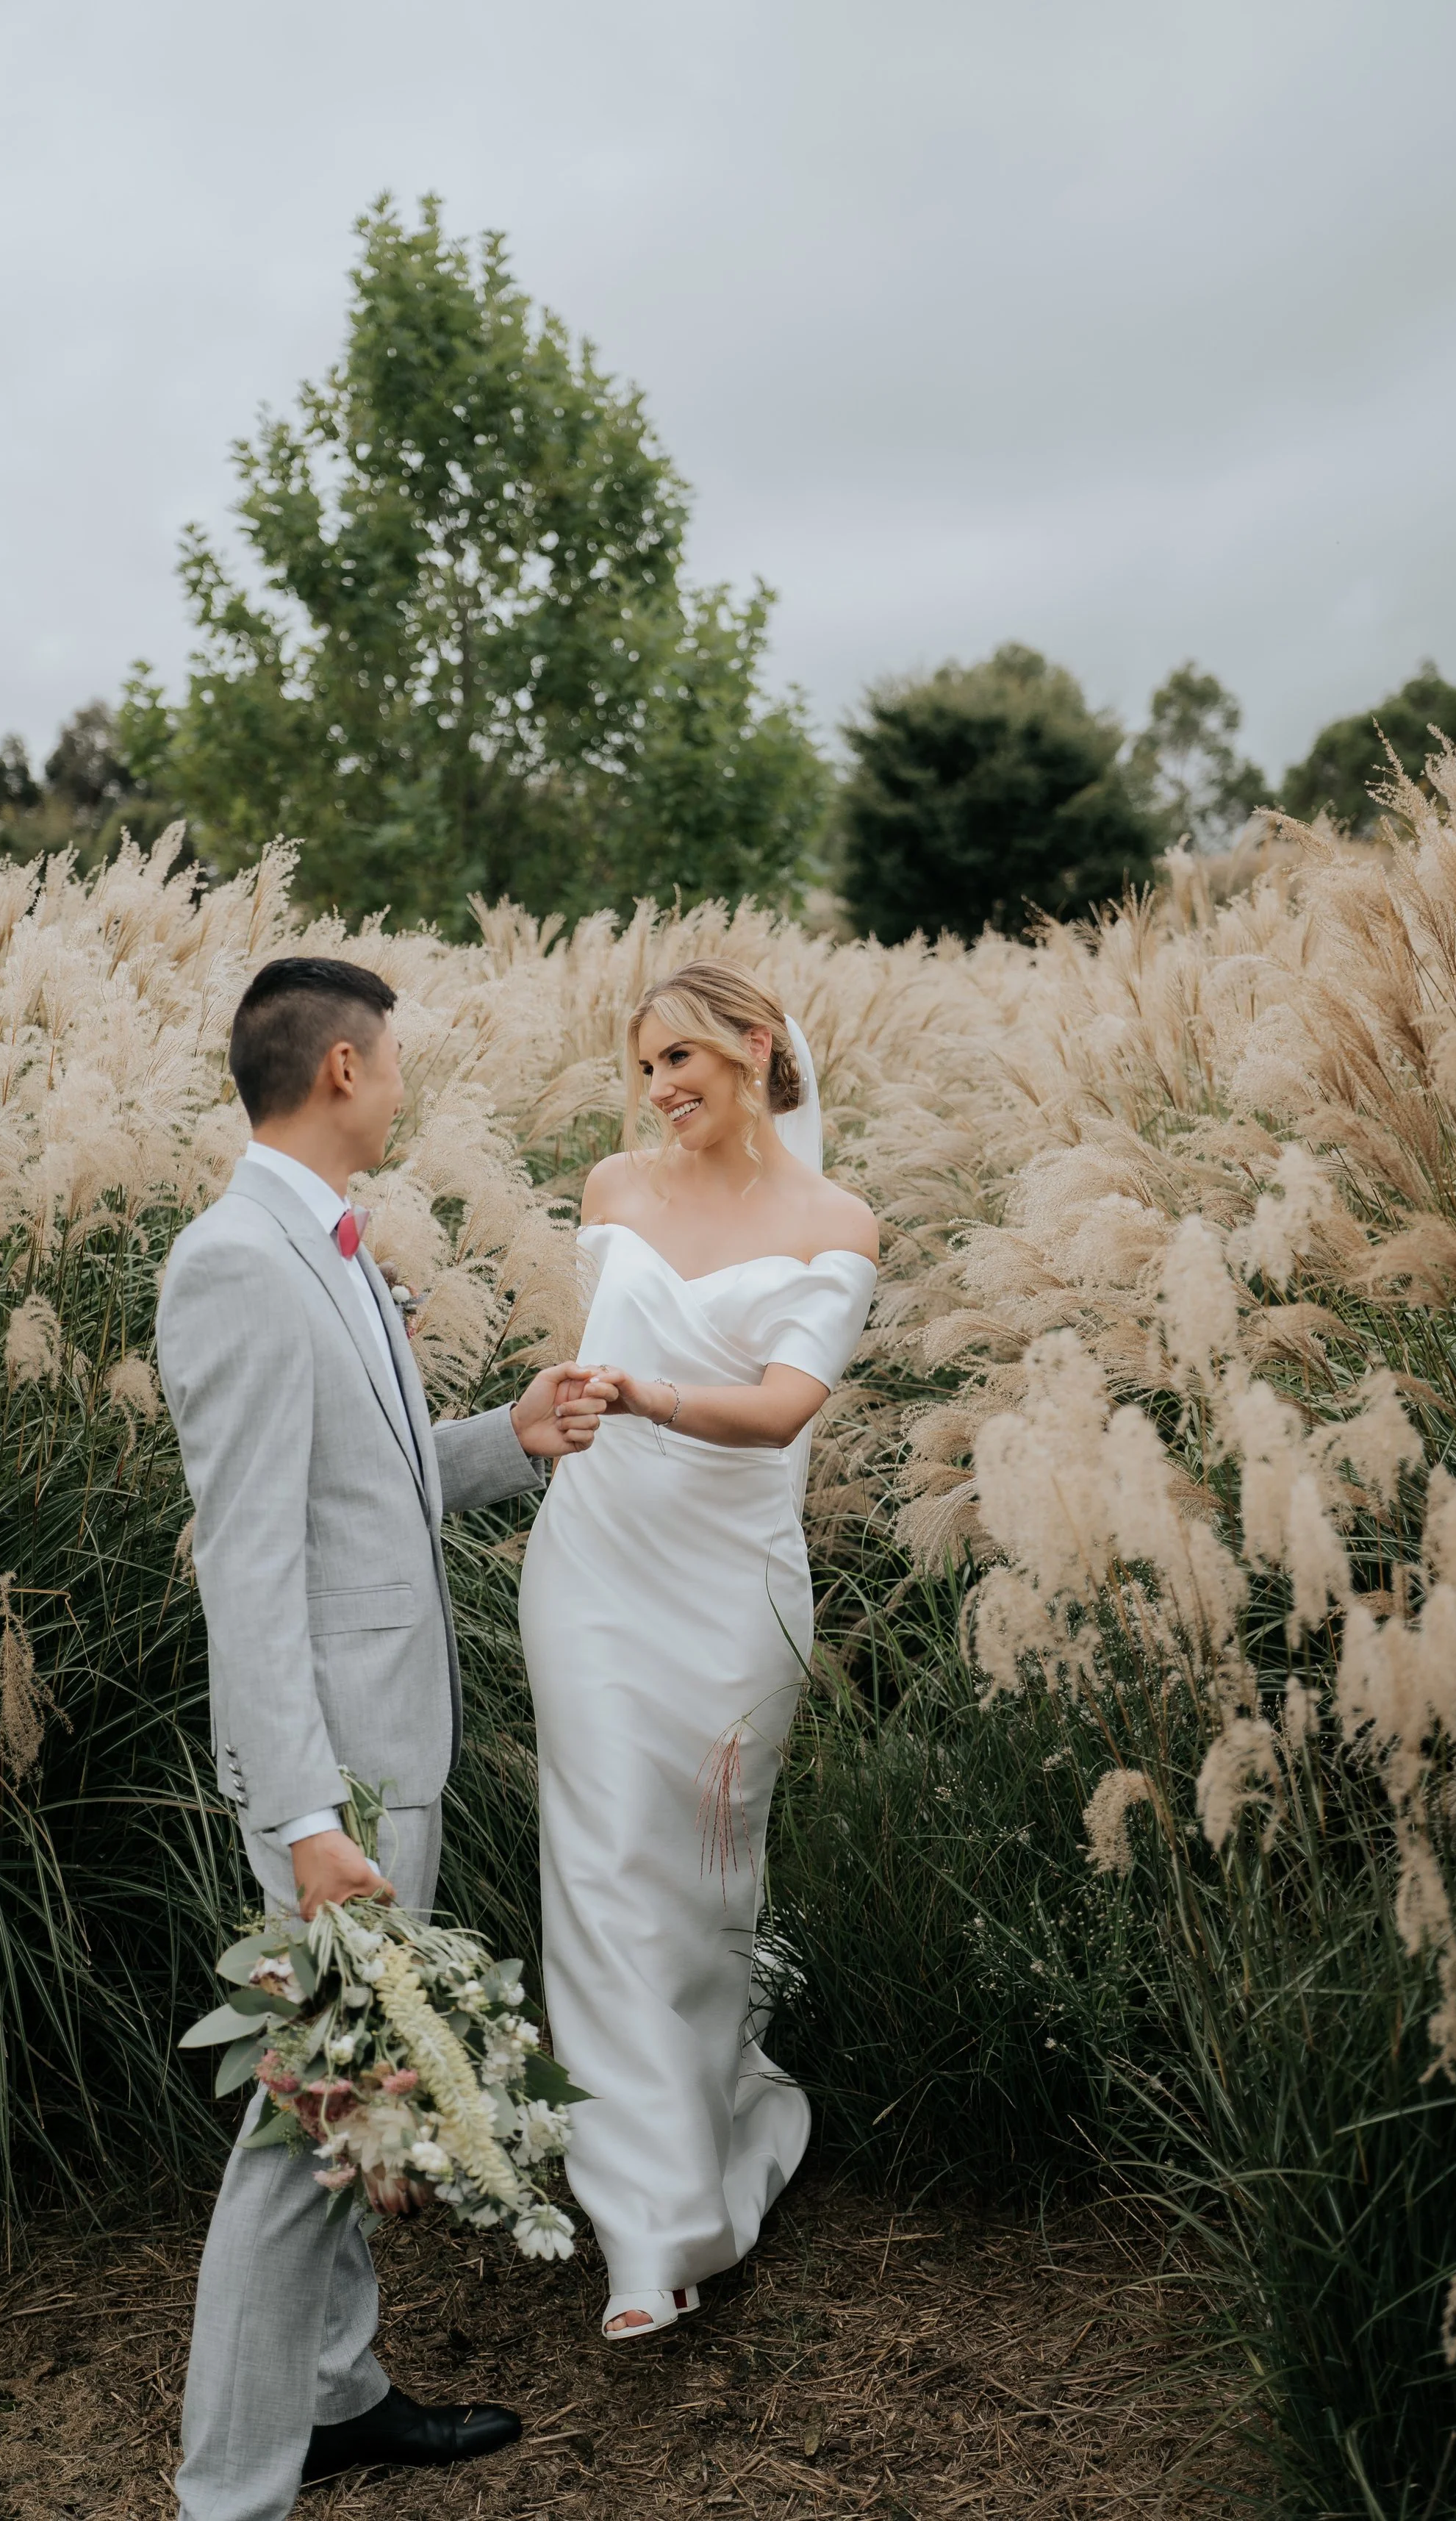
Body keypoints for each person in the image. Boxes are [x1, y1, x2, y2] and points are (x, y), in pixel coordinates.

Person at [157, 955, 614, 2521]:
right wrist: (300, 1818)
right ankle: (227, 2493)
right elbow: (254, 1567)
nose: (408, 1085)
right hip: (329, 1779)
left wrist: (509, 1437)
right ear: (342, 1069)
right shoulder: (235, 1263)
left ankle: (338, 2397)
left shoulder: (332, 1250)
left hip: (381, 1750)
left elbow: (359, 1486)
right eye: (397, 1061)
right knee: (309, 2127)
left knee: (360, 2098)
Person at [520, 960, 879, 2340]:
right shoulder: (614, 1190)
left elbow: (786, 1406)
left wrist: (652, 1394)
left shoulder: (836, 1219)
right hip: (596, 1564)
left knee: (708, 1869)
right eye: (646, 1067)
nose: (662, 1088)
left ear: (754, 1048)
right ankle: (649, 2227)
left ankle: (726, 2104)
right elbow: (592, 1354)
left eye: (684, 1059)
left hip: (731, 1585)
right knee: (607, 1863)